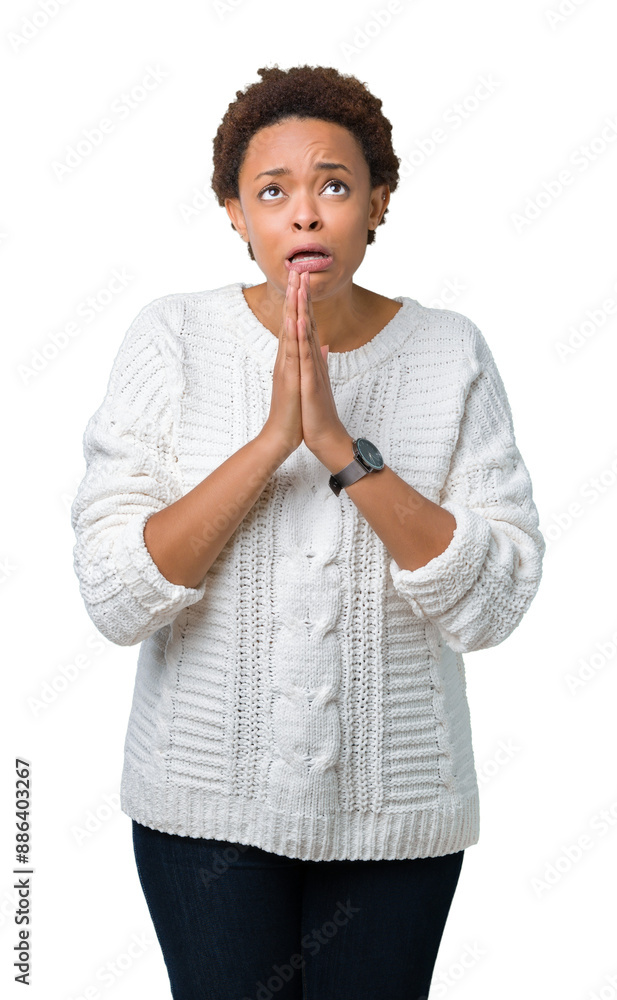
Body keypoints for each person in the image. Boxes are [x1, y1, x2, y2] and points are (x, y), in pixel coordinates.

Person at [70, 64, 546, 1000]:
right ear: (233, 212)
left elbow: (494, 603)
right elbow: (112, 594)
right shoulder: (170, 337)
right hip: (202, 818)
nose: (305, 213)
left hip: (396, 817)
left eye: (334, 184)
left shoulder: (451, 350)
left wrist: (339, 448)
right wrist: (271, 442)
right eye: (272, 190)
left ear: (378, 203)